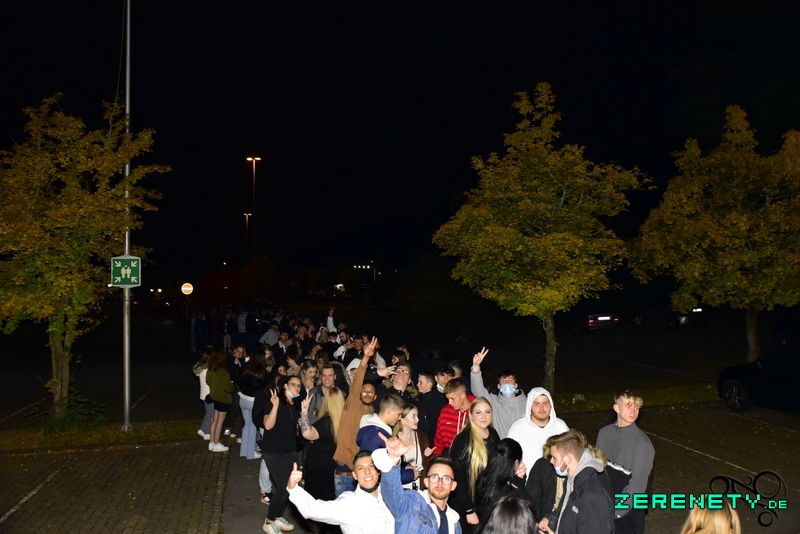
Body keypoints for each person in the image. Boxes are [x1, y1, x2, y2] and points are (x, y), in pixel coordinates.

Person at [372, 433, 462, 534]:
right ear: (426, 482)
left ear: (453, 485)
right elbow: (392, 496)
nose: (439, 483)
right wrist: (393, 459)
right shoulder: (414, 502)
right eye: (434, 477)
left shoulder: (455, 522)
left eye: (446, 478)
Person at [285, 453, 395, 534]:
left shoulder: (391, 493)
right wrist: (293, 488)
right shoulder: (349, 504)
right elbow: (314, 509)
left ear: (378, 471)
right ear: (354, 475)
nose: (367, 472)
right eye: (360, 468)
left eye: (371, 466)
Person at [595, 390, 654, 534]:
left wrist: (616, 512)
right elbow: (597, 471)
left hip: (629, 515)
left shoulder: (642, 444)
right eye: (629, 406)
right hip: (606, 507)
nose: (633, 411)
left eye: (636, 407)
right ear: (616, 408)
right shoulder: (604, 433)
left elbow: (637, 487)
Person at [537, 429, 614, 534]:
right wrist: (549, 519)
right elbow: (567, 513)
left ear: (568, 459)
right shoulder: (573, 481)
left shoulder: (592, 496)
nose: (551, 461)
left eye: (554, 458)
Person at [255, 375, 303, 533]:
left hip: (290, 450)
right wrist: (275, 406)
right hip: (274, 451)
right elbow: (268, 425)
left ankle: (277, 517)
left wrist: (303, 416)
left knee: (291, 487)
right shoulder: (274, 401)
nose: (296, 388)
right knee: (283, 489)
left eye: (299, 386)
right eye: (293, 384)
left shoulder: (294, 404)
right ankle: (269, 522)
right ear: (285, 386)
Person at [332, 337, 378, 496]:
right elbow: (358, 380)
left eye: (371, 392)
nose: (367, 394)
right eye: (364, 391)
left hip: (362, 471)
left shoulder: (373, 414)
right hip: (345, 471)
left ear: (375, 397)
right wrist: (365, 357)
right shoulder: (352, 403)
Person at [448, 397, 500, 534]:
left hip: (486, 502)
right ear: (471, 415)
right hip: (466, 505)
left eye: (487, 412)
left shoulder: (493, 434)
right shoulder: (463, 440)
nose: (484, 416)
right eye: (478, 412)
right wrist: (469, 510)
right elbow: (458, 477)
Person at [300, 387, 345, 532]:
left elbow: (307, 434)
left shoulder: (326, 421)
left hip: (317, 466)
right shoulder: (343, 421)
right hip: (331, 465)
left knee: (312, 499)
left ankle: (315, 528)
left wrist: (304, 412)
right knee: (327, 499)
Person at [469, 347, 526, 439]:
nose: (507, 383)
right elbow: (477, 390)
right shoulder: (493, 402)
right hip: (500, 445)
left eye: (510, 380)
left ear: (516, 385)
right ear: (499, 387)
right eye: (503, 381)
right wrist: (476, 368)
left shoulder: (527, 403)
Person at [506, 387, 569, 469]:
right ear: (530, 406)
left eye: (545, 403)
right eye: (536, 404)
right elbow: (509, 459)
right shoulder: (517, 428)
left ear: (551, 405)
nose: (541, 408)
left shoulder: (561, 426)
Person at [474, 438, 534, 521]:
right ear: (516, 462)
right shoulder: (509, 493)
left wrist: (519, 478)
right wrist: (519, 480)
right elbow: (529, 505)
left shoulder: (484, 478)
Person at [368, 361, 429, 436]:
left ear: (409, 381)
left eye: (406, 372)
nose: (402, 373)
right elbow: (360, 384)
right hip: (378, 437)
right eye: (398, 370)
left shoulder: (414, 403)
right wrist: (377, 373)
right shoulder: (381, 391)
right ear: (392, 377)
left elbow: (423, 429)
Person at [238, 348, 270, 459]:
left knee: (247, 426)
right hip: (253, 401)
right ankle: (251, 453)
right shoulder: (262, 373)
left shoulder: (245, 368)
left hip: (242, 399)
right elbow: (265, 386)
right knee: (252, 426)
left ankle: (244, 451)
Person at [393, 403, 433, 489]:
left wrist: (429, 456)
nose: (418, 420)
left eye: (417, 416)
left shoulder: (422, 438)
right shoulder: (393, 440)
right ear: (402, 419)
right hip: (400, 489)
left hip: (419, 489)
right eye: (413, 416)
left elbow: (429, 466)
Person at [433, 379, 475, 456]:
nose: (449, 403)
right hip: (449, 457)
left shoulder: (478, 412)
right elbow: (439, 440)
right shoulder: (445, 412)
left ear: (463, 395)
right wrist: (437, 458)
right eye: (448, 399)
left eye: (452, 399)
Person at [205, 348, 234, 452]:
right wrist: (232, 385)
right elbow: (229, 388)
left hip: (214, 397)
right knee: (220, 422)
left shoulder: (211, 369)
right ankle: (217, 443)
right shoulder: (223, 372)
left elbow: (208, 381)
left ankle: (212, 442)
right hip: (223, 398)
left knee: (214, 420)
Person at [417, 371, 447, 438]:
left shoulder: (424, 400)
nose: (417, 384)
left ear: (429, 385)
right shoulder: (440, 397)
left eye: (421, 382)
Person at [192, 347, 213, 440]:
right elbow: (210, 382)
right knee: (210, 414)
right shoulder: (206, 370)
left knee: (209, 413)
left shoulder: (202, 368)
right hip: (208, 395)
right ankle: (206, 432)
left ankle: (203, 429)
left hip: (204, 394)